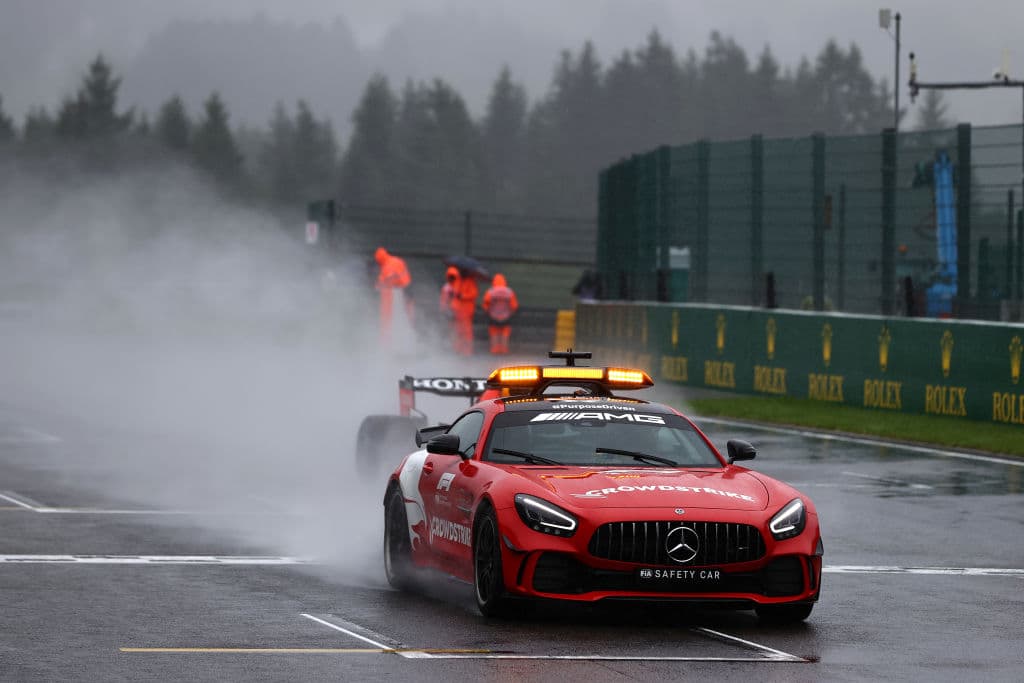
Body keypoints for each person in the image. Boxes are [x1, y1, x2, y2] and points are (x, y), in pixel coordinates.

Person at [374, 247, 412, 344]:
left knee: (394, 321)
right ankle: (404, 344)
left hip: (397, 293)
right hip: (405, 291)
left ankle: (395, 345)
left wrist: (379, 286)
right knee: (405, 320)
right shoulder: (395, 261)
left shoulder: (388, 266)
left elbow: (389, 279)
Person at [482, 273, 519, 354]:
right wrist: (511, 313)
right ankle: (504, 349)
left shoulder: (491, 291)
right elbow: (514, 305)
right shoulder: (509, 292)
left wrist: (487, 312)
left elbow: (486, 304)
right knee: (505, 332)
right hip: (506, 316)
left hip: (493, 316)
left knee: (494, 332)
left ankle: (494, 349)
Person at [450, 267, 479, 356]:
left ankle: (467, 351)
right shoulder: (458, 281)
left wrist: (462, 296)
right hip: (457, 310)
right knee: (458, 331)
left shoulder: (471, 282)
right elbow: (455, 292)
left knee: (466, 332)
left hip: (466, 311)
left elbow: (473, 294)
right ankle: (458, 349)